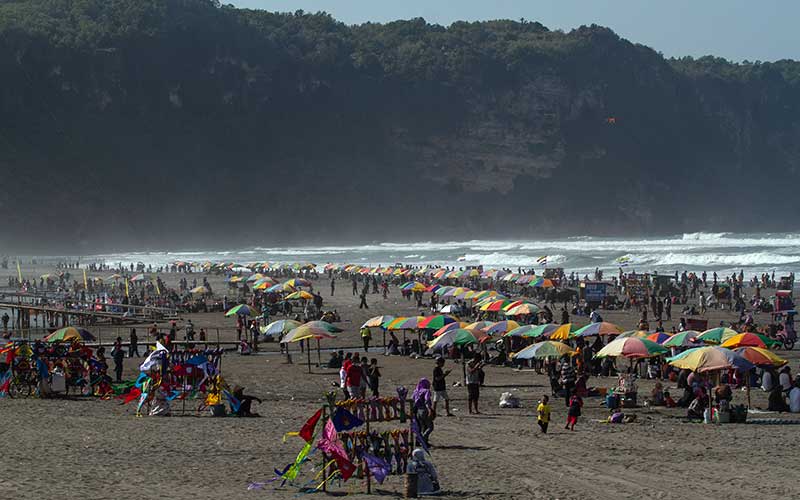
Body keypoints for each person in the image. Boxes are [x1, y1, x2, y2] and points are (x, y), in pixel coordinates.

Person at [412, 378, 435, 445]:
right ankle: (421, 439)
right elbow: (427, 400)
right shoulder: (426, 391)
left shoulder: (416, 391)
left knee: (422, 427)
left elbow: (413, 400)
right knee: (430, 427)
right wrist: (430, 409)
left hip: (417, 411)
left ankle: (424, 442)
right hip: (424, 410)